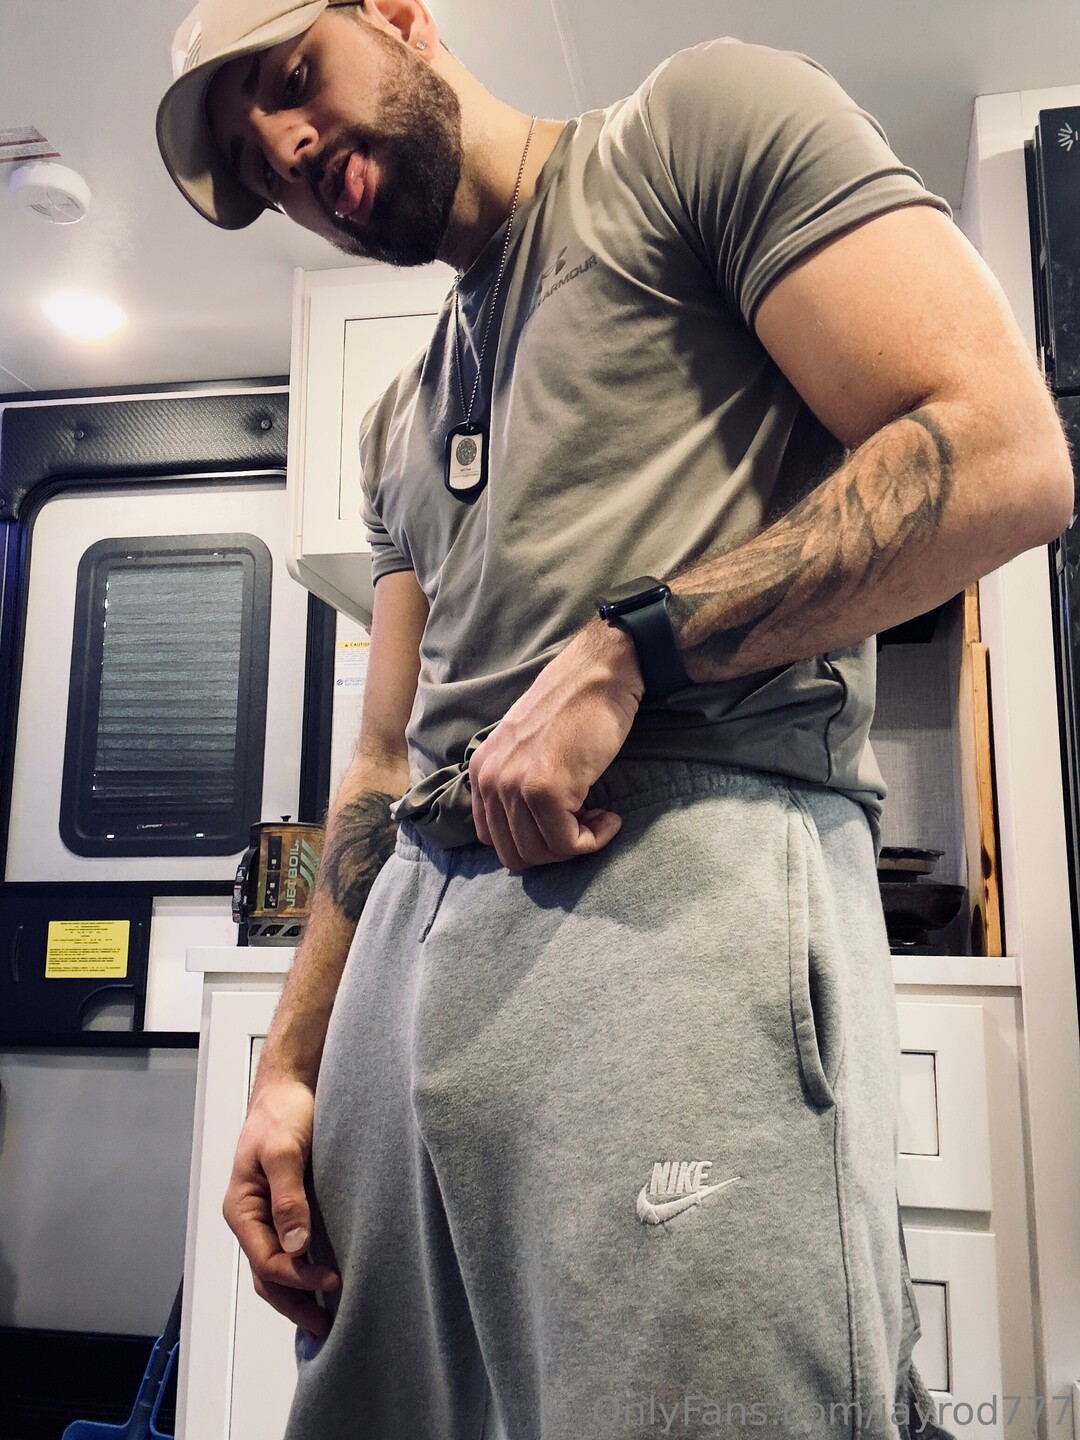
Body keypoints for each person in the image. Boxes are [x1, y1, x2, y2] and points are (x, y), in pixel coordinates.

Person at [157, 2, 1071, 1436]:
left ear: (398, 17)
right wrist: (290, 1068)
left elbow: (1005, 453)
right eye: (258, 167)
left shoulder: (698, 129)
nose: (289, 151)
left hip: (672, 903)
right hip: (405, 971)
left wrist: (633, 647)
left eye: (290, 79)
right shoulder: (396, 421)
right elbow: (384, 760)